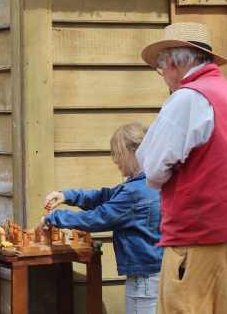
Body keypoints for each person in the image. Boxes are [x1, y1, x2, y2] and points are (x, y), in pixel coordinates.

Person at [135, 22, 227, 314]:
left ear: (174, 62)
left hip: (198, 242)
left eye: (160, 66)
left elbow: (152, 169)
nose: (161, 74)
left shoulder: (188, 98)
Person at [39, 123, 162, 314]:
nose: (115, 160)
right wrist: (67, 196)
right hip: (151, 273)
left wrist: (54, 218)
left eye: (118, 153)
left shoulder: (135, 192)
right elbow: (104, 197)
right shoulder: (147, 183)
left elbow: (98, 218)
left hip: (144, 278)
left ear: (135, 152)